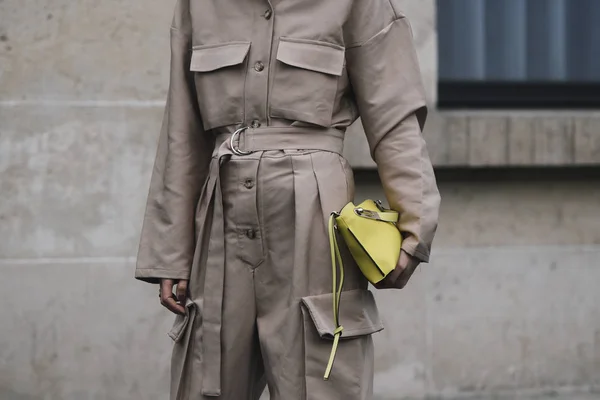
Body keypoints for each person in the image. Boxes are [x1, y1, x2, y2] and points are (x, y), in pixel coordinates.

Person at [135, 0, 440, 398]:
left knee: (321, 381)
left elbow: (394, 115)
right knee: (204, 377)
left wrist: (415, 228)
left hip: (316, 219)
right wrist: (170, 251)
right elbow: (182, 126)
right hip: (221, 216)